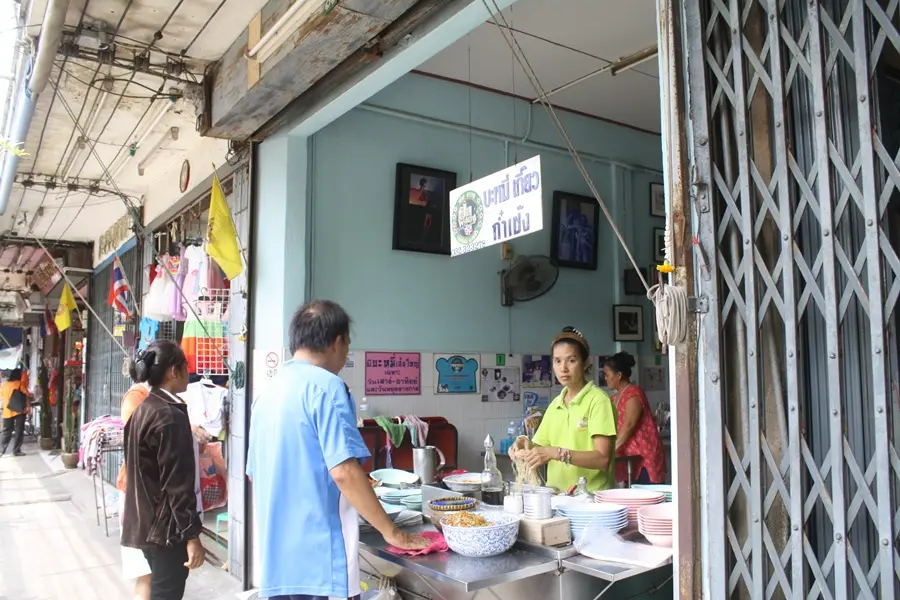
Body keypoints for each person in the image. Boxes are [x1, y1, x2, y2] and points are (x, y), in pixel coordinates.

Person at [247, 299, 429, 600]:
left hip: (276, 566)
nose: (345, 356)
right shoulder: (328, 387)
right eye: (347, 346)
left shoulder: (268, 392)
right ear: (336, 341)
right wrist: (392, 532)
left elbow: (257, 473)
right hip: (320, 564)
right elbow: (344, 472)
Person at [121, 341, 205, 600]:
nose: (188, 372)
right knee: (165, 593)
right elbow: (177, 484)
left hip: (145, 523)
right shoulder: (169, 415)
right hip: (166, 530)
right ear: (173, 371)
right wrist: (192, 535)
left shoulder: (144, 410)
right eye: (185, 366)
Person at [508, 326, 617, 492]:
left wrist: (557, 453)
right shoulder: (556, 404)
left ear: (585, 363)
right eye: (557, 361)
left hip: (592, 500)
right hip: (558, 497)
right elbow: (540, 447)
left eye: (571, 360)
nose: (563, 368)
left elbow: (602, 459)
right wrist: (524, 444)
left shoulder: (598, 401)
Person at [603, 352, 666, 485]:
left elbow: (629, 424)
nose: (605, 378)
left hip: (644, 456)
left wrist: (611, 450)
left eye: (607, 375)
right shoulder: (613, 399)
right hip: (628, 458)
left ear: (619, 375)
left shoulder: (634, 393)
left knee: (647, 498)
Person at [1, 367, 30, 457]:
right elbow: (27, 394)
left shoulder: (4, 385)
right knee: (19, 430)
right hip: (19, 410)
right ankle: (16, 450)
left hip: (7, 410)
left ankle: (2, 450)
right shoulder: (19, 384)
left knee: (6, 431)